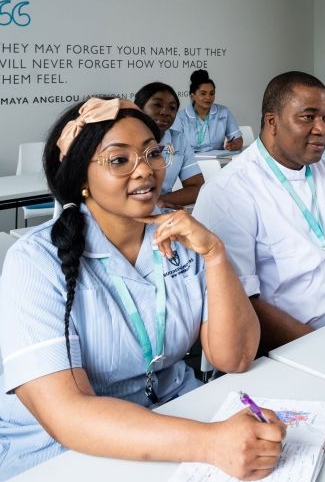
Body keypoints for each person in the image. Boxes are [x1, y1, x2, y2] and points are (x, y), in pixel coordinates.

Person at [0, 98, 284, 479]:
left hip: (174, 418)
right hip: (62, 451)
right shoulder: (35, 261)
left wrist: (215, 255)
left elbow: (235, 358)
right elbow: (67, 416)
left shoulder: (182, 235)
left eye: (153, 153)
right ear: (81, 178)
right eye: (119, 160)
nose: (145, 171)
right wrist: (210, 443)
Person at [193, 71, 325, 353]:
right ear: (272, 122)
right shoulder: (229, 191)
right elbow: (242, 302)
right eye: (308, 117)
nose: (323, 129)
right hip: (290, 349)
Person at [135, 81, 204, 208]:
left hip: (161, 209)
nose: (165, 112)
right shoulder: (123, 138)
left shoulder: (179, 140)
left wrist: (158, 202)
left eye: (172, 108)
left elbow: (197, 187)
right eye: (157, 105)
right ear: (139, 108)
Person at [172, 69, 243, 153]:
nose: (208, 98)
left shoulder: (224, 112)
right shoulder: (180, 117)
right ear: (192, 96)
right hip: (191, 161)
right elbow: (174, 147)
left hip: (218, 162)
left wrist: (233, 145)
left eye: (212, 93)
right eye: (203, 93)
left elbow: (238, 141)